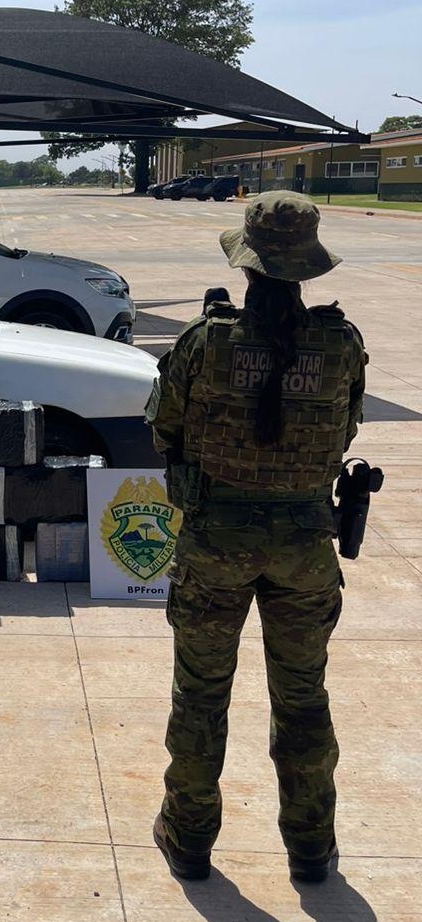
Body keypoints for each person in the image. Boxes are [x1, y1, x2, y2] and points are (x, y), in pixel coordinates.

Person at [145, 191, 367, 884]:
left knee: (200, 696)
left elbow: (164, 431)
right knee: (303, 699)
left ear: (246, 265)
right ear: (307, 268)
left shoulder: (203, 341)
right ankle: (310, 845)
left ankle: (189, 837)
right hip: (304, 549)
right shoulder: (341, 344)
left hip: (214, 546)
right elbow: (344, 431)